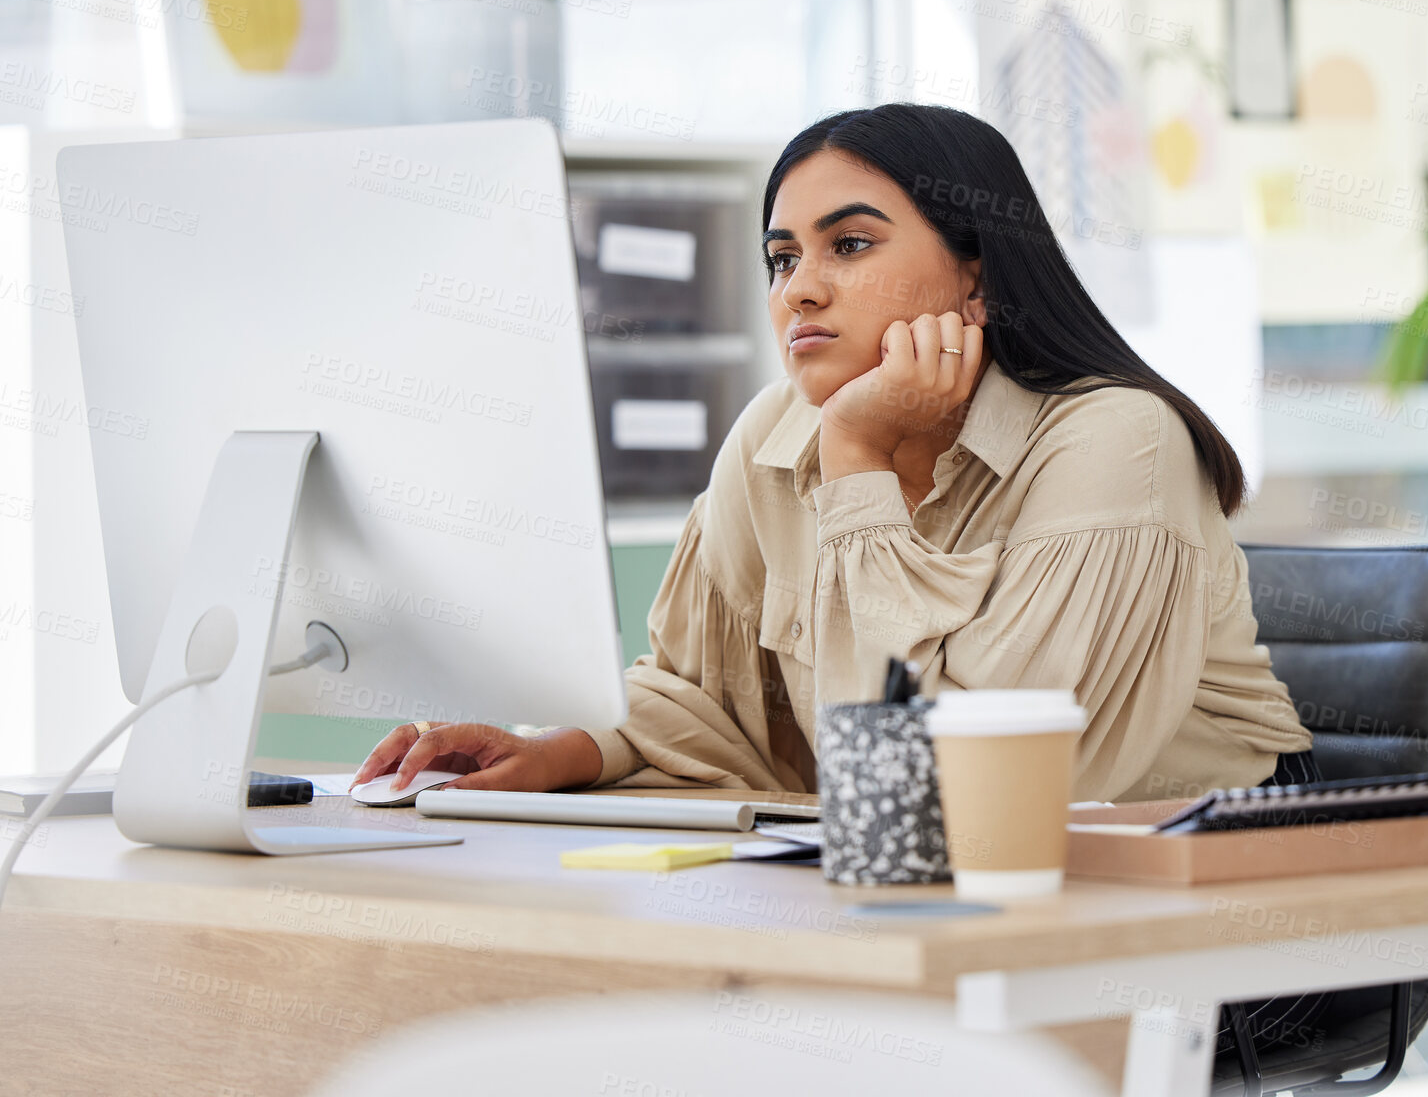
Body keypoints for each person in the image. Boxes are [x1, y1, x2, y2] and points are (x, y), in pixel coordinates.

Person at [352, 102, 1314, 802]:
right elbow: (706, 697)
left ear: (976, 272)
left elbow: (965, 788)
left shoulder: (1119, 438)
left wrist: (857, 457)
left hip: (1220, 897)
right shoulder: (773, 438)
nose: (799, 290)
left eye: (848, 246)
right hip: (946, 893)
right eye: (781, 258)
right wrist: (558, 749)